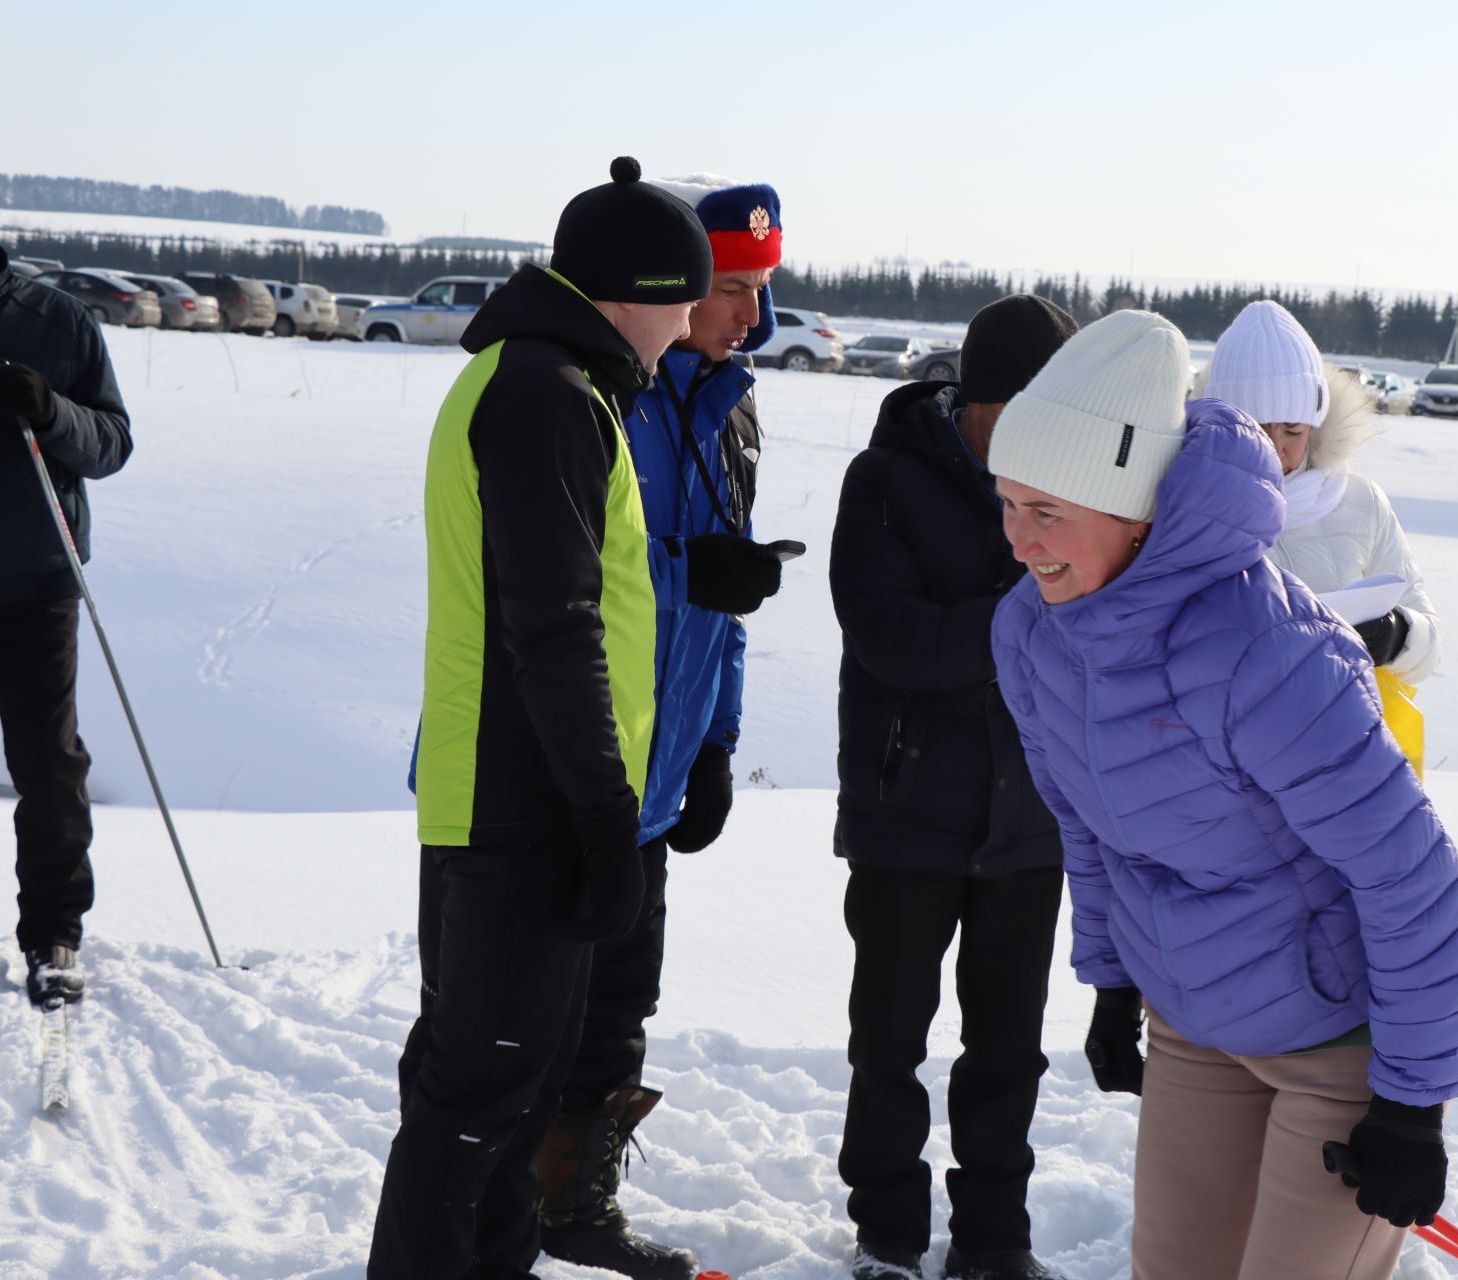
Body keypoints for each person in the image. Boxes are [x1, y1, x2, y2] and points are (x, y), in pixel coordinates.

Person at [988, 310, 1458, 1280]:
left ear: (1133, 510)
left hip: (1338, 1041)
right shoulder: (1034, 633)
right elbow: (1090, 828)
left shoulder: (1264, 648)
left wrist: (1413, 1104)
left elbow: (1414, 880)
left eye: (1048, 510)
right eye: (1007, 502)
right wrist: (1113, 976)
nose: (1018, 541)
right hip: (1192, 1021)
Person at [368, 157, 714, 1280]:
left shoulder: (557, 383)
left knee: (504, 1103)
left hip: (521, 795)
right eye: (685, 295)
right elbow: (554, 628)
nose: (693, 320)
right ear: (634, 289)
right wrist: (605, 816)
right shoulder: (543, 395)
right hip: (520, 806)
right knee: (476, 1100)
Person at [533, 175, 792, 1280]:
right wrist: (700, 569)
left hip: (661, 759)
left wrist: (719, 742)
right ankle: (492, 1204)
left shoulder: (729, 405)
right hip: (562, 759)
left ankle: (575, 1200)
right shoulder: (600, 392)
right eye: (732, 286)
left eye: (760, 288)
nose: (749, 313)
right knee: (530, 998)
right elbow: (576, 581)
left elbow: (721, 609)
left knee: (621, 996)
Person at [830, 294, 1080, 1280]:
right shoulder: (885, 479)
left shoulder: (1078, 492)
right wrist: (1028, 615)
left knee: (1008, 1049)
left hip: (1032, 817)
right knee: (887, 1041)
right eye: (1023, 413)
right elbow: (893, 638)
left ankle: (994, 1238)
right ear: (977, 401)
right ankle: (886, 1234)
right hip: (906, 811)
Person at [0, 143, 133, 1006]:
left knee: (49, 762)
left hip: (34, 567)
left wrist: (47, 408)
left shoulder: (56, 320)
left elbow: (111, 443)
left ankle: (55, 936)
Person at [1200, 300, 1441, 685]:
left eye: (1293, 430)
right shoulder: (1183, 504)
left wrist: (1398, 635)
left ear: (1315, 423)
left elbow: (1428, 637)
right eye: (1258, 430)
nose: (1277, 449)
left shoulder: (1361, 502)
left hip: (1343, 731)